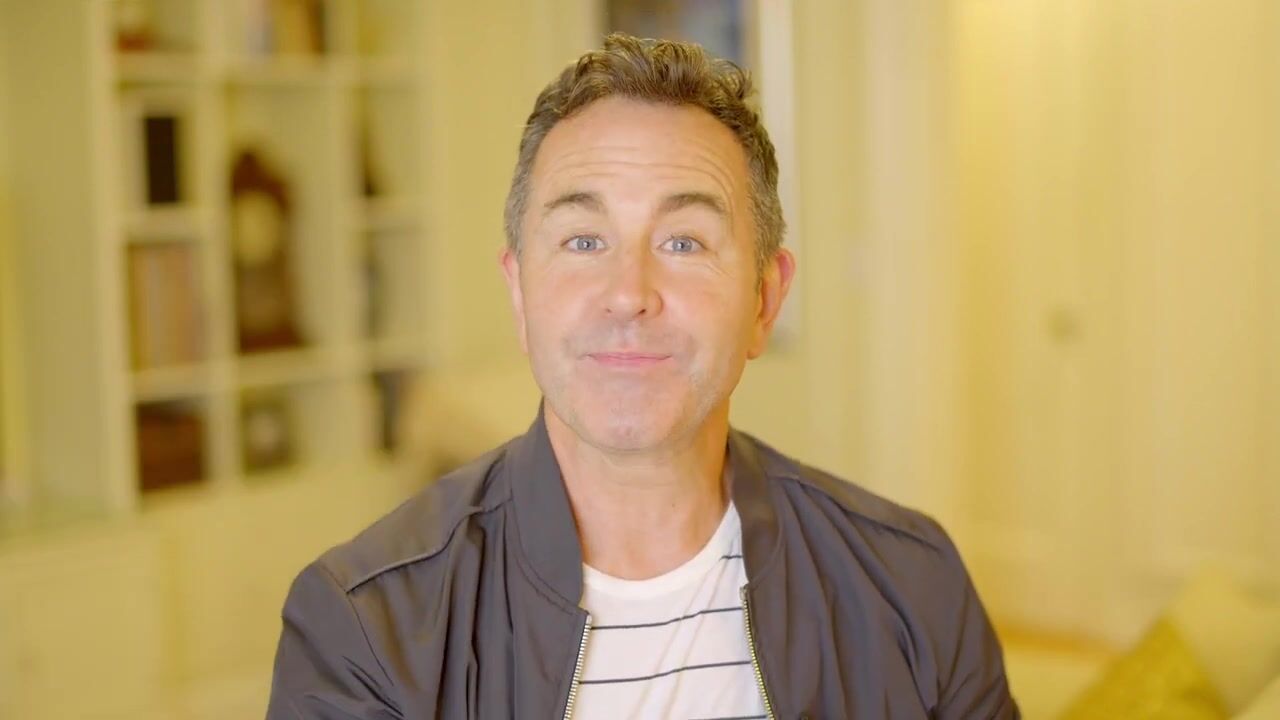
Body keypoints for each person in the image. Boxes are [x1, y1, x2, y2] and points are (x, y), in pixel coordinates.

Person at [266, 33, 1018, 719]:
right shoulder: (365, 627)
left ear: (764, 300)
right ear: (520, 295)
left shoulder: (910, 584)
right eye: (584, 240)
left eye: (684, 242)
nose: (629, 293)